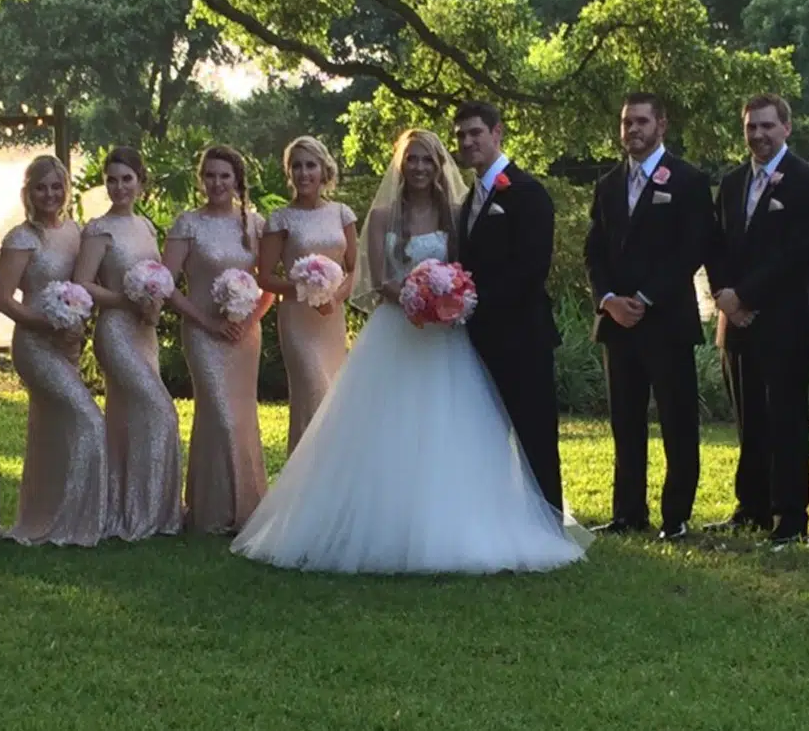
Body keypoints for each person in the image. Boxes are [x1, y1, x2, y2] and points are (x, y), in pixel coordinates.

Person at [230, 128, 589, 574]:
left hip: (445, 336)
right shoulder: (381, 215)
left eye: (427, 160)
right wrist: (414, 297)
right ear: (401, 165)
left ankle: (457, 522)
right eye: (411, 160)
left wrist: (446, 300)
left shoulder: (453, 214)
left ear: (438, 166)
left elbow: (462, 268)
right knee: (385, 429)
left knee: (452, 428)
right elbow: (378, 278)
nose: (419, 168)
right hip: (396, 330)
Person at [585, 92, 714, 541]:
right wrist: (609, 300)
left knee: (678, 420)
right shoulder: (607, 185)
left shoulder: (689, 180)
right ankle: (628, 513)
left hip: (667, 321)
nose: (632, 130)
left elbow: (693, 247)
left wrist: (644, 296)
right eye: (626, 123)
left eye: (641, 121)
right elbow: (594, 253)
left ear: (662, 124)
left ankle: (676, 516)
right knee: (626, 421)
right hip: (618, 324)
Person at [703, 94, 809, 544]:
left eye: (767, 126)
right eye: (751, 127)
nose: (758, 135)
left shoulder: (807, 182)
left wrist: (747, 295)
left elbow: (798, 252)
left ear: (786, 129)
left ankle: (790, 516)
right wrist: (725, 296)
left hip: (784, 320)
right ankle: (750, 507)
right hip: (737, 322)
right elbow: (715, 245)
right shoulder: (733, 182)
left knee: (786, 420)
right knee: (748, 418)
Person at [450, 100, 563, 512]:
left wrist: (471, 300)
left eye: (475, 133)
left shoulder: (527, 192)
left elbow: (532, 268)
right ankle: (496, 515)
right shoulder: (468, 199)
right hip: (479, 338)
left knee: (534, 435)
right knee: (486, 433)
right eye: (461, 135)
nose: (467, 141)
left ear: (497, 133)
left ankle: (548, 518)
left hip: (523, 337)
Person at [0, 155, 110, 546]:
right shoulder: (21, 238)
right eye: (41, 187)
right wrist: (45, 324)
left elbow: (82, 285)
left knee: (53, 431)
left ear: (66, 189)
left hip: (69, 344)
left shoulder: (75, 232)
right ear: (28, 192)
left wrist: (78, 323)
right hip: (35, 344)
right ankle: (77, 521)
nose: (50, 194)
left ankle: (50, 511)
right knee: (89, 420)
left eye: (56, 186)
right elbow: (2, 298)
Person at [162, 146, 273, 534]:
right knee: (218, 417)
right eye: (209, 175)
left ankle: (247, 508)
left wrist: (249, 320)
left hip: (245, 335)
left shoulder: (256, 225)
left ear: (237, 180)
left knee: (241, 417)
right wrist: (207, 322)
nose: (217, 183)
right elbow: (166, 284)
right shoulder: (187, 224)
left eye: (224, 175)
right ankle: (211, 512)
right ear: (201, 179)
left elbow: (270, 285)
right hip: (202, 332)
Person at [74, 146, 184, 541]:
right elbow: (84, 282)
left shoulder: (147, 227)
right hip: (116, 332)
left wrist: (153, 304)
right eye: (112, 180)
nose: (119, 187)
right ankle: (142, 512)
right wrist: (126, 299)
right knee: (161, 411)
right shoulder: (98, 229)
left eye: (126, 179)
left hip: (145, 332)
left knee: (130, 419)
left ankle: (136, 506)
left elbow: (159, 276)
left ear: (141, 182)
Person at [256, 137, 357, 451]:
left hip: (331, 318)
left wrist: (334, 298)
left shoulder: (342, 214)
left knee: (334, 399)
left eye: (310, 165)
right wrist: (304, 288)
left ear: (323, 169)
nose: (303, 173)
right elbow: (266, 277)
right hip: (298, 320)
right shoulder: (280, 219)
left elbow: (355, 268)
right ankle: (304, 479)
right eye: (296, 166)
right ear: (289, 173)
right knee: (313, 390)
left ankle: (331, 483)